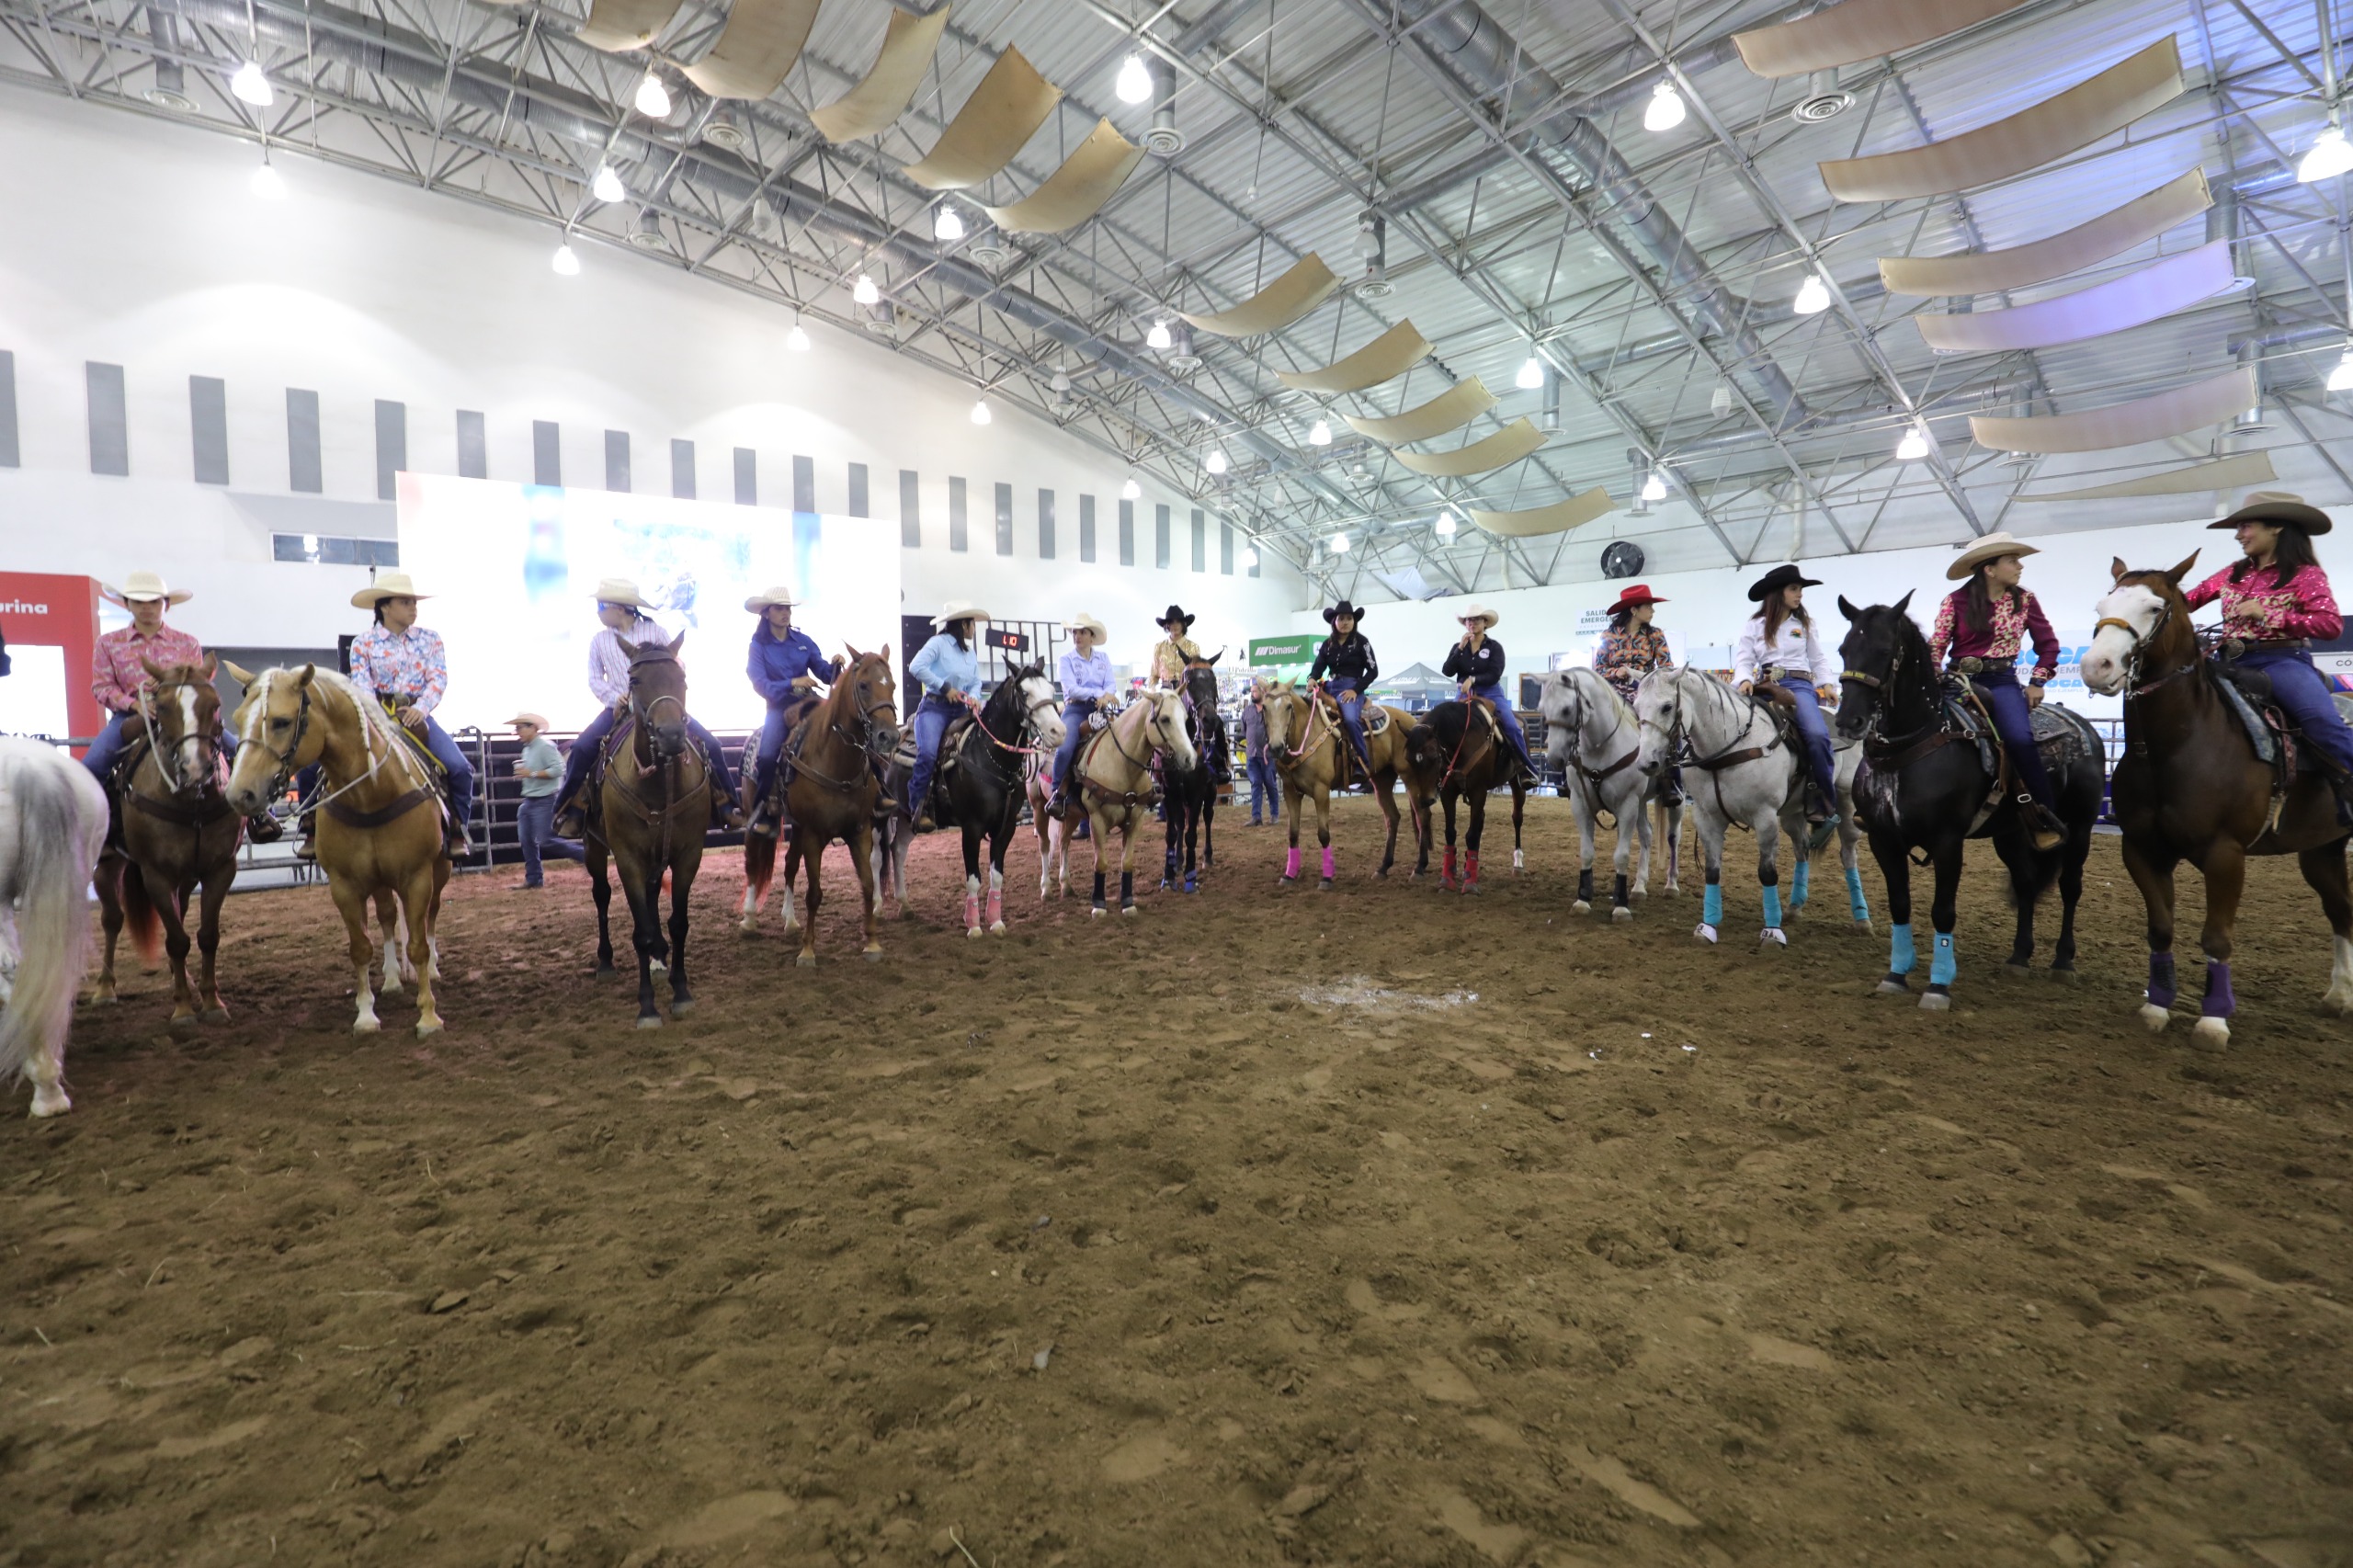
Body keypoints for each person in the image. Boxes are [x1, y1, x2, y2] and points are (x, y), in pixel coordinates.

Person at [2186, 491, 2353, 820]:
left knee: (2322, 722)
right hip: (2227, 662)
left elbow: (2330, 625)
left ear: (2276, 527)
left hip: (2282, 661)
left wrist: (2270, 615)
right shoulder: (2231, 573)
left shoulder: (2306, 574)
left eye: (2246, 526)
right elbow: (2187, 601)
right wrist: (2142, 594)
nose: (2238, 535)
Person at [85, 570, 281, 842]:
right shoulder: (108, 643)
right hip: (131, 716)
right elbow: (102, 686)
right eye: (139, 602)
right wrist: (135, 704)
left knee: (237, 749)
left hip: (185, 716)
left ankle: (260, 813)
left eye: (154, 602)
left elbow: (200, 686)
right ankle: (98, 825)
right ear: (127, 604)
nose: (146, 608)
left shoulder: (187, 643)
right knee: (93, 765)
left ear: (166, 605)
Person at [551, 578, 745, 839]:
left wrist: (665, 686)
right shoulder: (599, 640)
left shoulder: (656, 632)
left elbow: (677, 666)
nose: (597, 612)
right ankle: (570, 810)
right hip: (618, 709)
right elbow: (595, 679)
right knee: (582, 748)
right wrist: (616, 698)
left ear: (619, 608)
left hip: (659, 706)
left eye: (600, 606)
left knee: (710, 744)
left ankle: (727, 805)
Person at [1930, 532, 2069, 852]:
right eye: (2012, 560)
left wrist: (2037, 682)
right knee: (1920, 728)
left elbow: (2048, 645)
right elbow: (1936, 646)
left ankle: (2043, 816)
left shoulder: (2025, 600)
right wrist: (1935, 672)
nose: (2020, 566)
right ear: (1989, 569)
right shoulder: (1955, 601)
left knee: (2019, 739)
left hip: (2001, 681)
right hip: (1957, 681)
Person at [339, 572, 475, 857]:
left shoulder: (430, 639)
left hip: (417, 715)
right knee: (322, 765)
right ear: (385, 607)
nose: (413, 608)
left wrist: (420, 709)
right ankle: (313, 825)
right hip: (376, 716)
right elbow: (362, 685)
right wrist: (379, 716)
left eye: (414, 602)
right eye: (405, 602)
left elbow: (438, 679)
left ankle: (457, 828)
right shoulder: (363, 643)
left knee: (460, 768)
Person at [1732, 563, 1841, 825]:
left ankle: (1822, 798)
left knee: (1817, 735)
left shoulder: (1804, 624)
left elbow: (1817, 658)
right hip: (1764, 685)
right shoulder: (1755, 625)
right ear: (1777, 592)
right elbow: (1744, 659)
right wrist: (1745, 679)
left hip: (1799, 686)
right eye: (1794, 588)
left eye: (1800, 589)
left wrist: (1827, 684)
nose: (1799, 594)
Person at [742, 585, 844, 838]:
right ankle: (763, 813)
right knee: (767, 756)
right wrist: (791, 683)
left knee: (847, 732)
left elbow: (824, 673)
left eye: (787, 608)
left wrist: (835, 667)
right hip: (779, 707)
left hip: (811, 702)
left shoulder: (803, 641)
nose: (785, 613)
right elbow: (760, 684)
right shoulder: (758, 646)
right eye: (779, 608)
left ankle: (869, 795)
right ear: (766, 613)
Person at [1594, 583, 1681, 804]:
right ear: (1634, 610)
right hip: (1613, 690)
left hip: (1645, 690)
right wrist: (1617, 672)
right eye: (1648, 606)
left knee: (1669, 724)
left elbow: (1666, 667)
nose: (1653, 610)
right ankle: (1575, 771)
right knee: (1587, 715)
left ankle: (1671, 781)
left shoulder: (1655, 635)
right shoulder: (1608, 636)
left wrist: (1647, 676)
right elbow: (1599, 669)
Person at [907, 600, 988, 832]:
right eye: (972, 624)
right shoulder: (937, 643)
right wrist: (945, 688)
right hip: (935, 708)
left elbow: (976, 681)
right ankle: (918, 807)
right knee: (928, 753)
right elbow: (916, 666)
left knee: (983, 748)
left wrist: (974, 697)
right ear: (964, 625)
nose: (974, 629)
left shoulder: (969, 652)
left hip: (961, 710)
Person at [1440, 605, 1536, 784]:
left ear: (1485, 623)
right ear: (1465, 624)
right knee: (1444, 724)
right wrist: (1460, 648)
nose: (1472, 623)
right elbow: (1447, 671)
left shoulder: (1494, 647)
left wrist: (1473, 679)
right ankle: (1441, 772)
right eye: (1469, 620)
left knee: (1512, 726)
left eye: (1476, 619)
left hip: (1491, 693)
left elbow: (1495, 674)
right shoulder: (1458, 647)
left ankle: (1525, 769)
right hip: (1463, 694)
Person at [1048, 613, 1114, 814]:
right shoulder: (1066, 660)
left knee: (1127, 739)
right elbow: (1072, 689)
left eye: (1082, 632)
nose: (1077, 636)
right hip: (1075, 710)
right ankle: (1057, 793)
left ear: (1092, 637)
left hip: (1100, 710)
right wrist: (1100, 694)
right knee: (1065, 749)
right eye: (1074, 632)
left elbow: (1111, 684)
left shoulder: (1103, 658)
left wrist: (1107, 696)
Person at [1307, 599, 1379, 781]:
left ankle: (1362, 763)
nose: (1345, 622)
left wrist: (1355, 690)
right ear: (1335, 621)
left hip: (1351, 688)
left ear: (1354, 621)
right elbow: (1318, 666)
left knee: (1351, 720)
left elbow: (1373, 671)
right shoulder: (1327, 644)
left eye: (1349, 618)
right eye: (1341, 618)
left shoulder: (1362, 643)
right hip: (1329, 687)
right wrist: (1312, 678)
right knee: (1305, 709)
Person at [507, 711, 564, 888]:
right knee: (527, 839)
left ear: (532, 727)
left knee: (545, 840)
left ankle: (584, 855)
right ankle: (533, 877)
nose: (517, 732)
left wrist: (530, 773)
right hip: (530, 800)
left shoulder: (545, 746)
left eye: (520, 728)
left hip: (545, 799)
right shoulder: (528, 749)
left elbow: (558, 770)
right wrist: (527, 774)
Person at [1242, 679, 1281, 826]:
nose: (1252, 694)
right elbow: (1244, 730)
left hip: (1267, 756)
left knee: (1270, 784)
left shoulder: (1270, 710)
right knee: (1256, 783)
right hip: (1252, 755)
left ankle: (1274, 815)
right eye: (1251, 692)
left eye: (1254, 691)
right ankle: (1256, 816)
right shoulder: (1247, 711)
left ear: (1262, 692)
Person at [1148, 606, 1199, 687]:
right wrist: (1152, 689)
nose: (1175, 625)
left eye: (1178, 622)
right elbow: (1153, 675)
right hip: (1165, 691)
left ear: (1183, 624)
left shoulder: (1193, 647)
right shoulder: (1159, 647)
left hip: (1186, 690)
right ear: (1167, 625)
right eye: (1171, 622)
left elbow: (1197, 673)